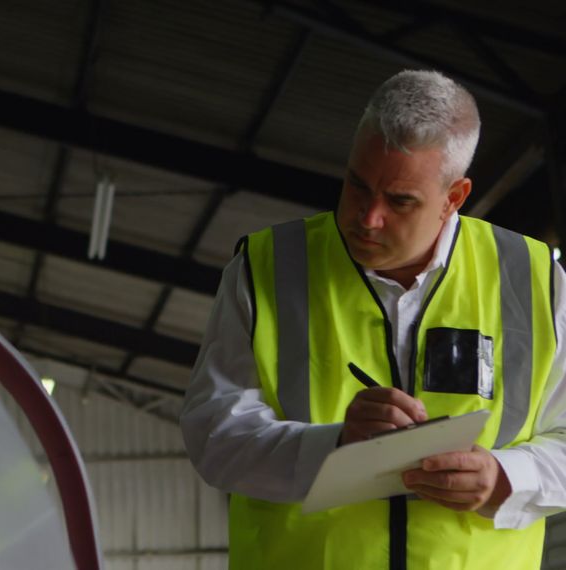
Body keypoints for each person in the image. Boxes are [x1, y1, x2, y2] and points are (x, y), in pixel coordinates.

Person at [180, 69, 566, 570]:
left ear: (454, 197)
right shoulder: (266, 269)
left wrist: (504, 478)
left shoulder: (536, 281)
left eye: (400, 201)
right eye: (357, 186)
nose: (367, 217)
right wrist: (334, 446)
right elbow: (213, 436)